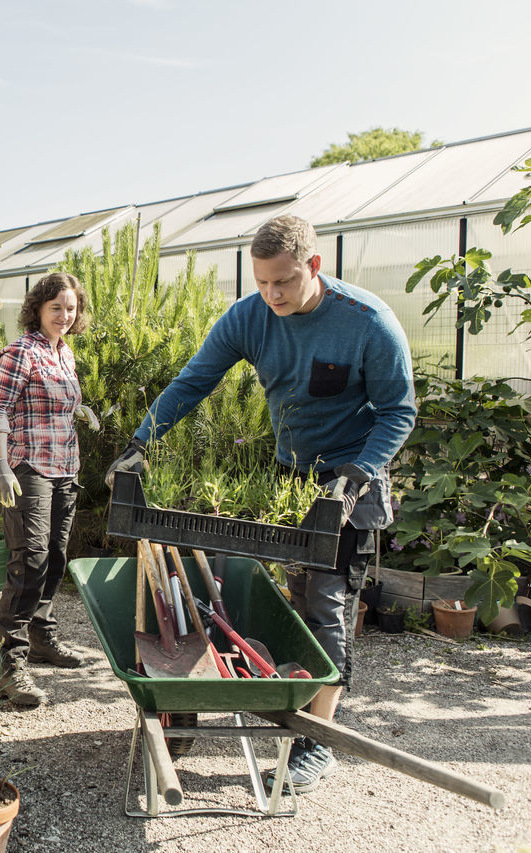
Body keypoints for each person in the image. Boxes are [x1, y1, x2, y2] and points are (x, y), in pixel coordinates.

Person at [105, 214, 416, 792]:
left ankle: (317, 744)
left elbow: (400, 411)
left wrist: (359, 472)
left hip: (349, 484)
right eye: (262, 282)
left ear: (315, 266)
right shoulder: (251, 317)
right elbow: (194, 381)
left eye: (284, 281)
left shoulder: (367, 323)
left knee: (324, 606)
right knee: (277, 602)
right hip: (288, 480)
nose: (271, 294)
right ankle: (264, 699)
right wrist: (140, 441)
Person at [0, 271, 100, 707]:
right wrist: (0, 466)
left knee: (55, 556)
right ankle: (9, 667)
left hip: (65, 467)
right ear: (38, 308)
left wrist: (81, 411)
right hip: (28, 467)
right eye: (57, 308)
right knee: (29, 561)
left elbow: (54, 403)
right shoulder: (20, 353)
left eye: (71, 309)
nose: (65, 316)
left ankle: (41, 636)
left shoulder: (65, 354)